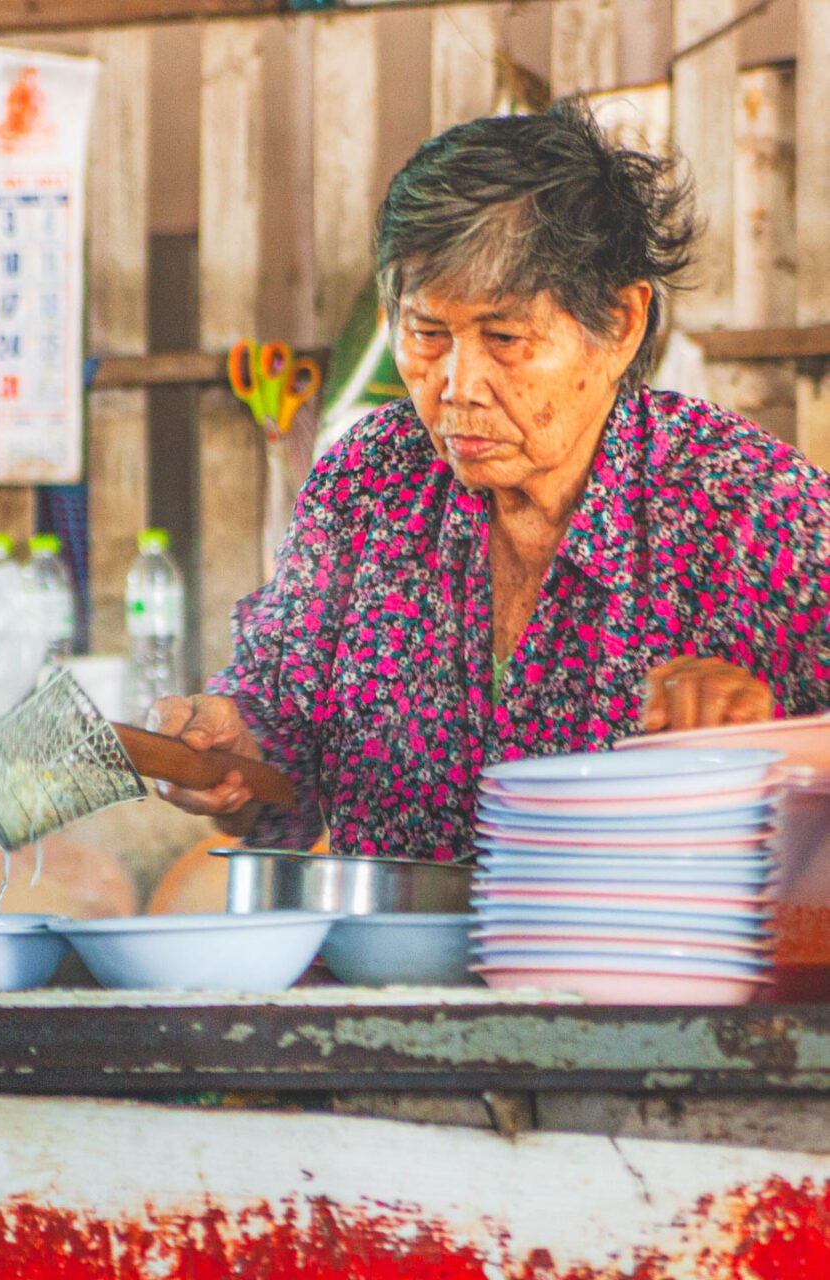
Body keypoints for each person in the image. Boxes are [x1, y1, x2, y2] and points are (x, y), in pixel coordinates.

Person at [153, 98, 829, 861]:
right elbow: (275, 735)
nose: (455, 385)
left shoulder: (750, 508)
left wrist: (776, 735)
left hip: (650, 976)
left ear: (621, 324)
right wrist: (226, 751)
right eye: (425, 333)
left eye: (503, 337)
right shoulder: (367, 483)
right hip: (397, 972)